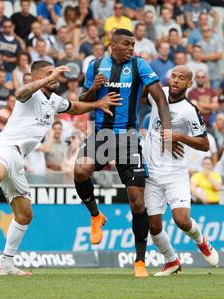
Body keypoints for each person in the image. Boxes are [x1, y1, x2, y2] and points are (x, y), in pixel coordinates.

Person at [0, 62, 121, 276]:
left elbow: (75, 107)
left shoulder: (55, 101)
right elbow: (20, 91)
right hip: (5, 148)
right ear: (37, 78)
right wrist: (44, 80)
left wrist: (98, 104)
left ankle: (6, 264)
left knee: (24, 215)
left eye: (55, 74)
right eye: (49, 74)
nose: (55, 78)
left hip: (18, 160)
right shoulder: (29, 95)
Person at [74, 29, 173, 278]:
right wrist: (93, 88)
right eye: (127, 44)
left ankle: (140, 261)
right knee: (79, 170)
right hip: (102, 135)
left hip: (128, 137)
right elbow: (81, 100)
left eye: (133, 44)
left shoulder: (139, 65)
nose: (131, 48)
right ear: (113, 45)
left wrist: (168, 129)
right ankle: (96, 216)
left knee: (138, 202)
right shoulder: (96, 65)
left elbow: (159, 97)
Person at [143, 65, 218, 276]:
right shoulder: (159, 94)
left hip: (175, 172)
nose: (175, 80)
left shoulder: (189, 110)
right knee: (154, 225)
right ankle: (171, 261)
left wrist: (180, 137)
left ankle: (201, 241)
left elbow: (204, 144)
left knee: (182, 220)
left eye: (181, 78)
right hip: (152, 174)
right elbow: (140, 100)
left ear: (189, 83)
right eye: (173, 76)